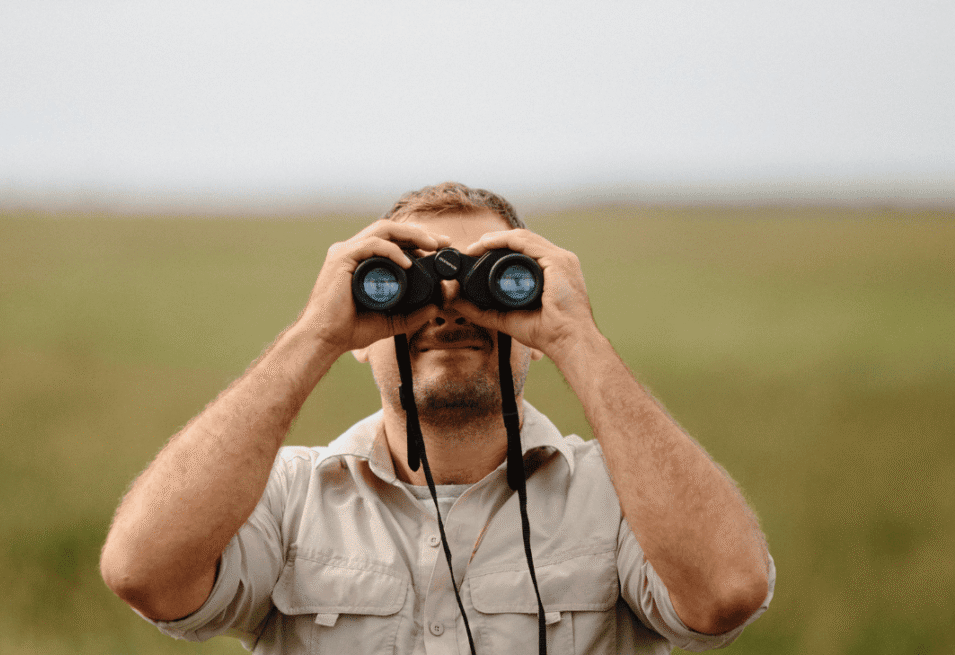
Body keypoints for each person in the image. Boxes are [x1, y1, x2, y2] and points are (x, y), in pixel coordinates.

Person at [100, 182, 775, 654]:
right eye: (413, 283)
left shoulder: (620, 496)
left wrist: (578, 337)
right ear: (361, 335)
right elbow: (144, 572)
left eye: (488, 283)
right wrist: (315, 334)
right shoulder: (289, 497)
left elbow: (726, 593)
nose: (449, 310)